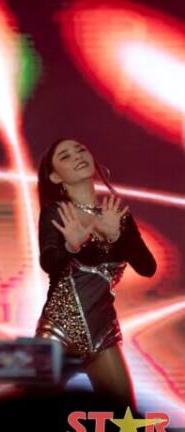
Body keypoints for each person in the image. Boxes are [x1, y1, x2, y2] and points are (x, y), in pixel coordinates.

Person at [34, 138, 156, 410]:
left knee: (125, 419)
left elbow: (147, 268)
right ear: (55, 177)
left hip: (102, 333)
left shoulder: (118, 216)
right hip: (58, 330)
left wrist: (117, 236)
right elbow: (49, 262)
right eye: (65, 156)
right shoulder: (57, 213)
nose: (77, 156)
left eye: (80, 150)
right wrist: (71, 246)